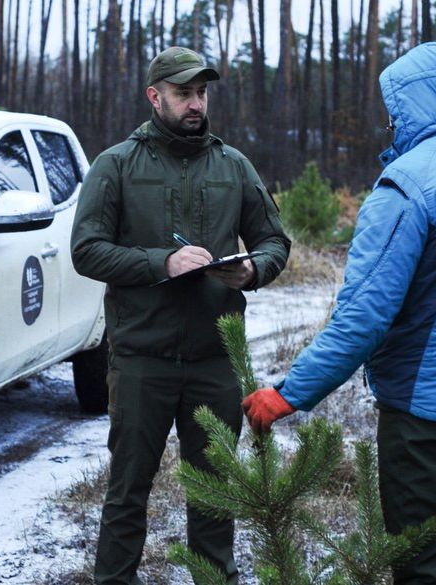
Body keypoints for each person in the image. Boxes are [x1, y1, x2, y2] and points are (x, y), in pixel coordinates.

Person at [243, 42, 436, 584]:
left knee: (427, 565)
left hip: (425, 421)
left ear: (410, 105)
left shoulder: (406, 187)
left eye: (393, 108)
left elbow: (364, 318)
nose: (389, 121)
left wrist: (286, 393)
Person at [71, 46, 291, 584]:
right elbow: (86, 250)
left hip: (214, 360)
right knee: (127, 492)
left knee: (215, 497)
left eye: (201, 93)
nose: (195, 104)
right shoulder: (117, 164)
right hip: (142, 357)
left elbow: (273, 241)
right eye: (183, 93)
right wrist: (160, 263)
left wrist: (253, 270)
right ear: (155, 97)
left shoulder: (232, 164)